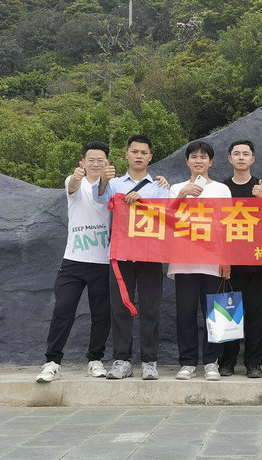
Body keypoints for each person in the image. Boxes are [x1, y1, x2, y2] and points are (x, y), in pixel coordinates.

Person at [93, 134, 170, 380]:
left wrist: (144, 201)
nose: (139, 156)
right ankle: (121, 361)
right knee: (120, 308)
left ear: (150, 157)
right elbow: (100, 198)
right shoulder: (115, 183)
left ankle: (149, 361)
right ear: (126, 155)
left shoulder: (160, 187)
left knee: (151, 308)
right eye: (134, 152)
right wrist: (103, 180)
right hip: (121, 255)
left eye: (143, 152)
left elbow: (166, 215)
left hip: (150, 255)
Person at [36, 141, 112, 383]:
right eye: (91, 160)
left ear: (107, 162)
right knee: (63, 309)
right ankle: (52, 361)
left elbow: (106, 197)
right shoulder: (74, 180)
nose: (96, 163)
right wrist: (77, 178)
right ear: (83, 162)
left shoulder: (113, 185)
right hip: (73, 260)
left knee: (102, 314)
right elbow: (72, 187)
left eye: (100, 160)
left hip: (103, 261)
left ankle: (95, 360)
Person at [168, 141, 231, 381]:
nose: (198, 160)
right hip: (183, 261)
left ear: (211, 162)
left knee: (214, 313)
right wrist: (182, 195)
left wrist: (226, 258)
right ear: (187, 161)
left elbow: (227, 226)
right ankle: (188, 362)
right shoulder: (176, 188)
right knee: (185, 314)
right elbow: (168, 220)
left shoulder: (222, 190)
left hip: (213, 261)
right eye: (194, 156)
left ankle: (211, 362)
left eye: (203, 157)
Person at [219, 140, 262, 379]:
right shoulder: (221, 188)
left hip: (258, 263)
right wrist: (222, 258)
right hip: (229, 264)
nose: (241, 157)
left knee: (256, 315)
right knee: (228, 313)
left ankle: (254, 363)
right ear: (229, 159)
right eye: (237, 154)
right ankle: (227, 362)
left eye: (246, 154)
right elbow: (215, 227)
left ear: (252, 159)